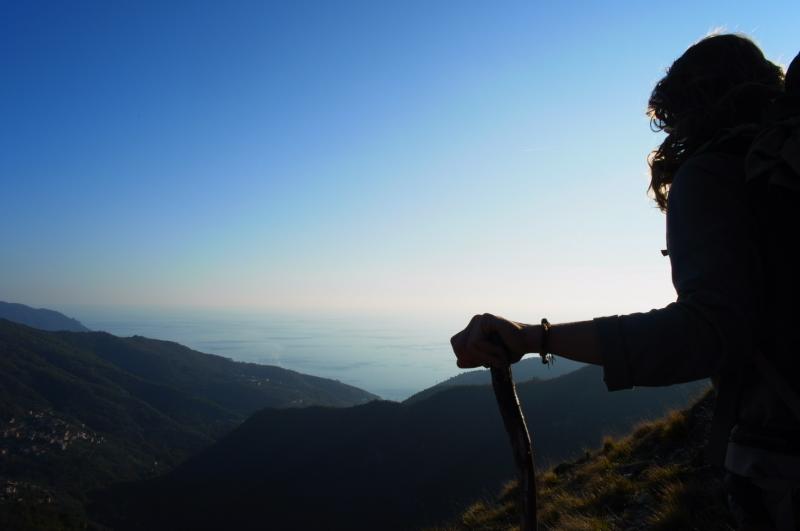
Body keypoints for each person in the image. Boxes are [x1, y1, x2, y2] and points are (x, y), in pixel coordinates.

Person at [450, 33, 799, 530]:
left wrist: (536, 337)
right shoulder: (778, 167)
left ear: (683, 109)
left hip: (783, 452)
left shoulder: (717, 171)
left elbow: (708, 332)